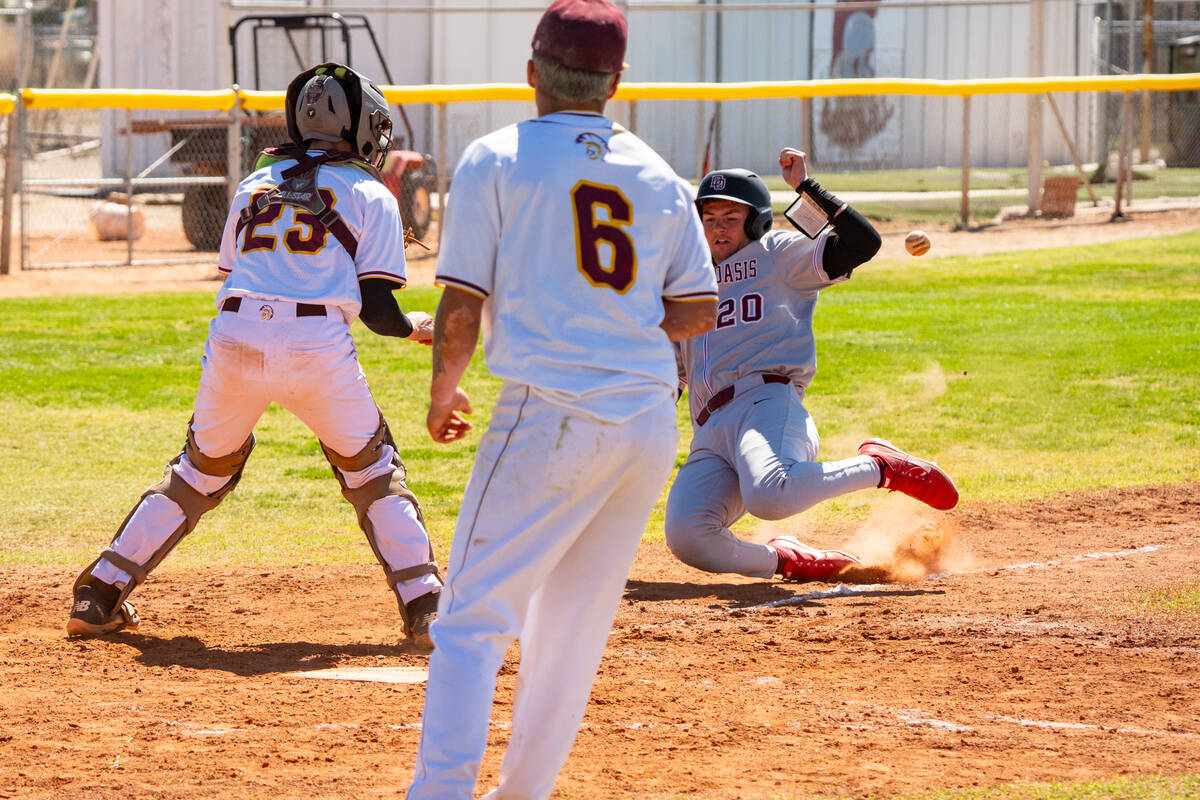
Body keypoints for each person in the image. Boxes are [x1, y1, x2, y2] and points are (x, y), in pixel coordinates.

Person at [406, 1, 718, 796]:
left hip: (550, 414)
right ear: (616, 82)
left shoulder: (497, 156)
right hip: (645, 420)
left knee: (472, 620)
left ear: (532, 72)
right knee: (571, 631)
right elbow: (697, 310)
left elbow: (461, 302)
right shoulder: (658, 174)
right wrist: (618, 317)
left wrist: (444, 392)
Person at [66, 62, 444, 650]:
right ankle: (427, 608)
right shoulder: (371, 191)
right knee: (371, 472)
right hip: (316, 345)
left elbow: (240, 271)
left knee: (199, 471)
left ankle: (100, 593)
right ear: (368, 127)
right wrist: (419, 325)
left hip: (234, 332)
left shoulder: (254, 184)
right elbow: (378, 313)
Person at [664, 151, 959, 583]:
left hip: (765, 404)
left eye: (731, 216)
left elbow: (862, 244)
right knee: (687, 535)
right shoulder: (688, 282)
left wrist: (807, 187)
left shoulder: (777, 254)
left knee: (771, 495)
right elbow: (674, 374)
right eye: (709, 217)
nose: (718, 227)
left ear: (755, 220)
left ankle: (881, 466)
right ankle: (791, 560)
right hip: (710, 429)